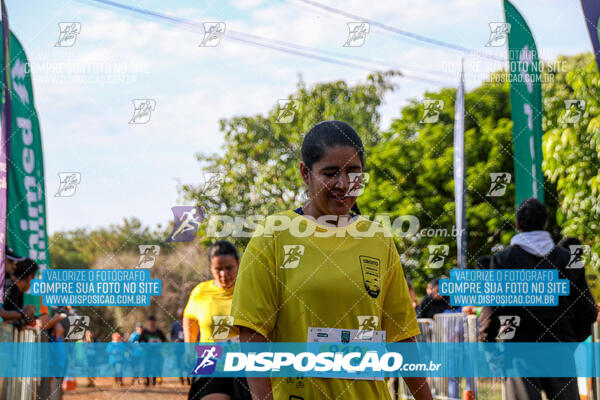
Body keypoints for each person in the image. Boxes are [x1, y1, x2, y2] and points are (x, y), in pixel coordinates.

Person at [231, 121, 432, 399]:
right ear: (305, 173)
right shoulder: (274, 235)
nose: (344, 184)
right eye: (330, 173)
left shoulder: (378, 239)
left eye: (353, 172)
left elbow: (402, 337)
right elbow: (252, 333)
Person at [479, 198, 597, 400]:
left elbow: (491, 312)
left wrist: (491, 349)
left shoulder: (503, 260)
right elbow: (587, 310)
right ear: (545, 224)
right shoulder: (567, 260)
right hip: (560, 351)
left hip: (518, 352)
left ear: (517, 225)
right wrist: (570, 341)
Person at [183, 240, 252, 399]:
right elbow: (189, 317)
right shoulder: (200, 292)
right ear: (210, 268)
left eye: (229, 268)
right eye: (218, 269)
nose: (224, 274)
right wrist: (189, 348)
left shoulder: (249, 290)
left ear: (238, 263)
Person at [2, 258, 38, 327]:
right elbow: (3, 315)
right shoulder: (10, 287)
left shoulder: (17, 290)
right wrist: (24, 314)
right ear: (30, 278)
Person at [140, 315, 167, 386]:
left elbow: (165, 342)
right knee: (146, 367)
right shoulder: (144, 332)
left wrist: (158, 341)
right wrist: (147, 343)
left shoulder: (159, 332)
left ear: (155, 322)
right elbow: (140, 342)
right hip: (147, 353)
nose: (151, 324)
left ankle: (154, 381)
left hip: (156, 353)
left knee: (155, 366)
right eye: (150, 322)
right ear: (148, 322)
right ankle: (147, 381)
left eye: (153, 322)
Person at [170, 308, 186, 385]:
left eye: (182, 314)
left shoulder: (188, 323)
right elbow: (172, 335)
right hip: (178, 347)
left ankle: (189, 377)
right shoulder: (175, 324)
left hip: (187, 346)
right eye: (180, 314)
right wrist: (175, 340)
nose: (181, 315)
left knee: (187, 361)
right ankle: (181, 377)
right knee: (179, 362)